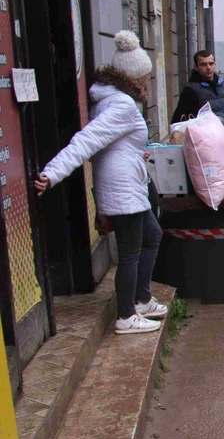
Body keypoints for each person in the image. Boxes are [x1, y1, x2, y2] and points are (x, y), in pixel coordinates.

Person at [35, 31, 168, 336]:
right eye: (145, 79)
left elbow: (114, 143)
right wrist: (53, 173)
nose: (147, 84)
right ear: (133, 78)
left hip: (127, 183)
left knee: (152, 235)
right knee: (131, 251)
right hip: (123, 189)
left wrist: (136, 150)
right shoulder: (121, 105)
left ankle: (142, 299)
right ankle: (126, 315)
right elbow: (88, 141)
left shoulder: (112, 99)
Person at [171, 49, 224, 124]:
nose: (208, 67)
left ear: (215, 65)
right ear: (196, 67)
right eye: (203, 64)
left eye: (211, 63)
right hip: (204, 134)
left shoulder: (222, 85)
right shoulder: (191, 90)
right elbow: (180, 118)